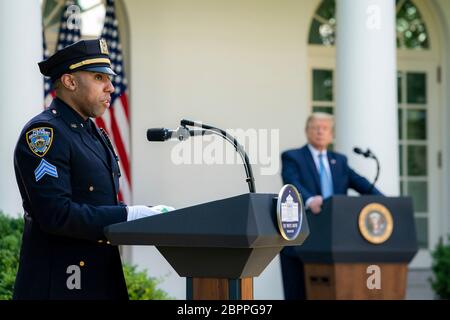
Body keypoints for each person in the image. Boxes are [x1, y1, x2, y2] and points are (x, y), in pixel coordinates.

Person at [13, 38, 172, 300]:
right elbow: (57, 215)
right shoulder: (45, 134)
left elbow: (97, 202)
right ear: (70, 82)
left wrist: (145, 215)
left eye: (108, 78)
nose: (110, 87)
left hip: (100, 278)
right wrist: (128, 215)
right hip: (61, 285)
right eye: (99, 77)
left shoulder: (92, 133)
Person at [279, 112, 383, 300]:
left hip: (336, 241)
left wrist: (386, 202)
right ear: (307, 131)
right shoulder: (292, 157)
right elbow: (292, 183)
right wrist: (310, 201)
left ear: (331, 135)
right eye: (315, 127)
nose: (320, 131)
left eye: (325, 128)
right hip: (302, 239)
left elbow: (361, 183)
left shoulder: (340, 161)